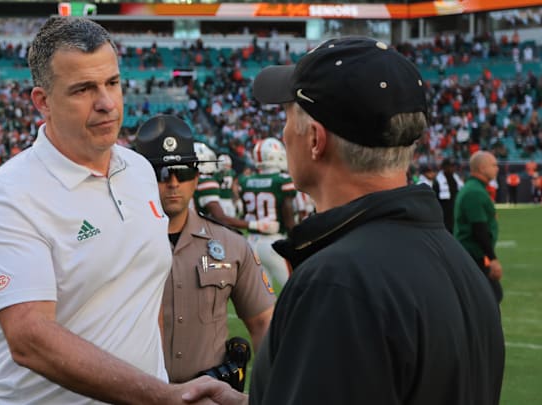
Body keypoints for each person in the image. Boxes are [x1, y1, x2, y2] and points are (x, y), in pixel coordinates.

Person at [183, 36, 504, 405]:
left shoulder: (339, 282)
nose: (284, 133)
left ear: (316, 140)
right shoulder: (458, 262)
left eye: (287, 117)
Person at [0, 17, 211, 404]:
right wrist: (161, 396)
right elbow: (30, 338)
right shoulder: (12, 194)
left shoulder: (138, 171)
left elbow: (143, 298)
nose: (106, 103)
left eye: (112, 83)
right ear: (43, 101)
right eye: (83, 89)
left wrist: (162, 385)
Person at [135, 114, 275, 385]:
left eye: (184, 171)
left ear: (197, 179)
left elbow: (264, 325)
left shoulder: (231, 245)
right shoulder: (117, 246)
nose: (173, 182)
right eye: (161, 173)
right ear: (140, 178)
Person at [239, 137, 296, 287]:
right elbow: (288, 216)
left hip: (251, 243)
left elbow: (246, 212)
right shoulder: (282, 180)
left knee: (265, 299)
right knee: (296, 288)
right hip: (274, 242)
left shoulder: (246, 181)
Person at [454, 150, 504, 303]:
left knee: (490, 296)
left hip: (474, 254)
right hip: (474, 256)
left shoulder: (475, 188)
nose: (497, 168)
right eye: (494, 165)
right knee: (490, 297)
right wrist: (492, 258)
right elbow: (479, 229)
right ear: (482, 168)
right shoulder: (474, 192)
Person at [433, 157, 464, 233]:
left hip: (454, 210)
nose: (453, 168)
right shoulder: (437, 181)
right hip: (444, 212)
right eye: (451, 166)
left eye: (454, 166)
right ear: (444, 167)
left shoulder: (456, 178)